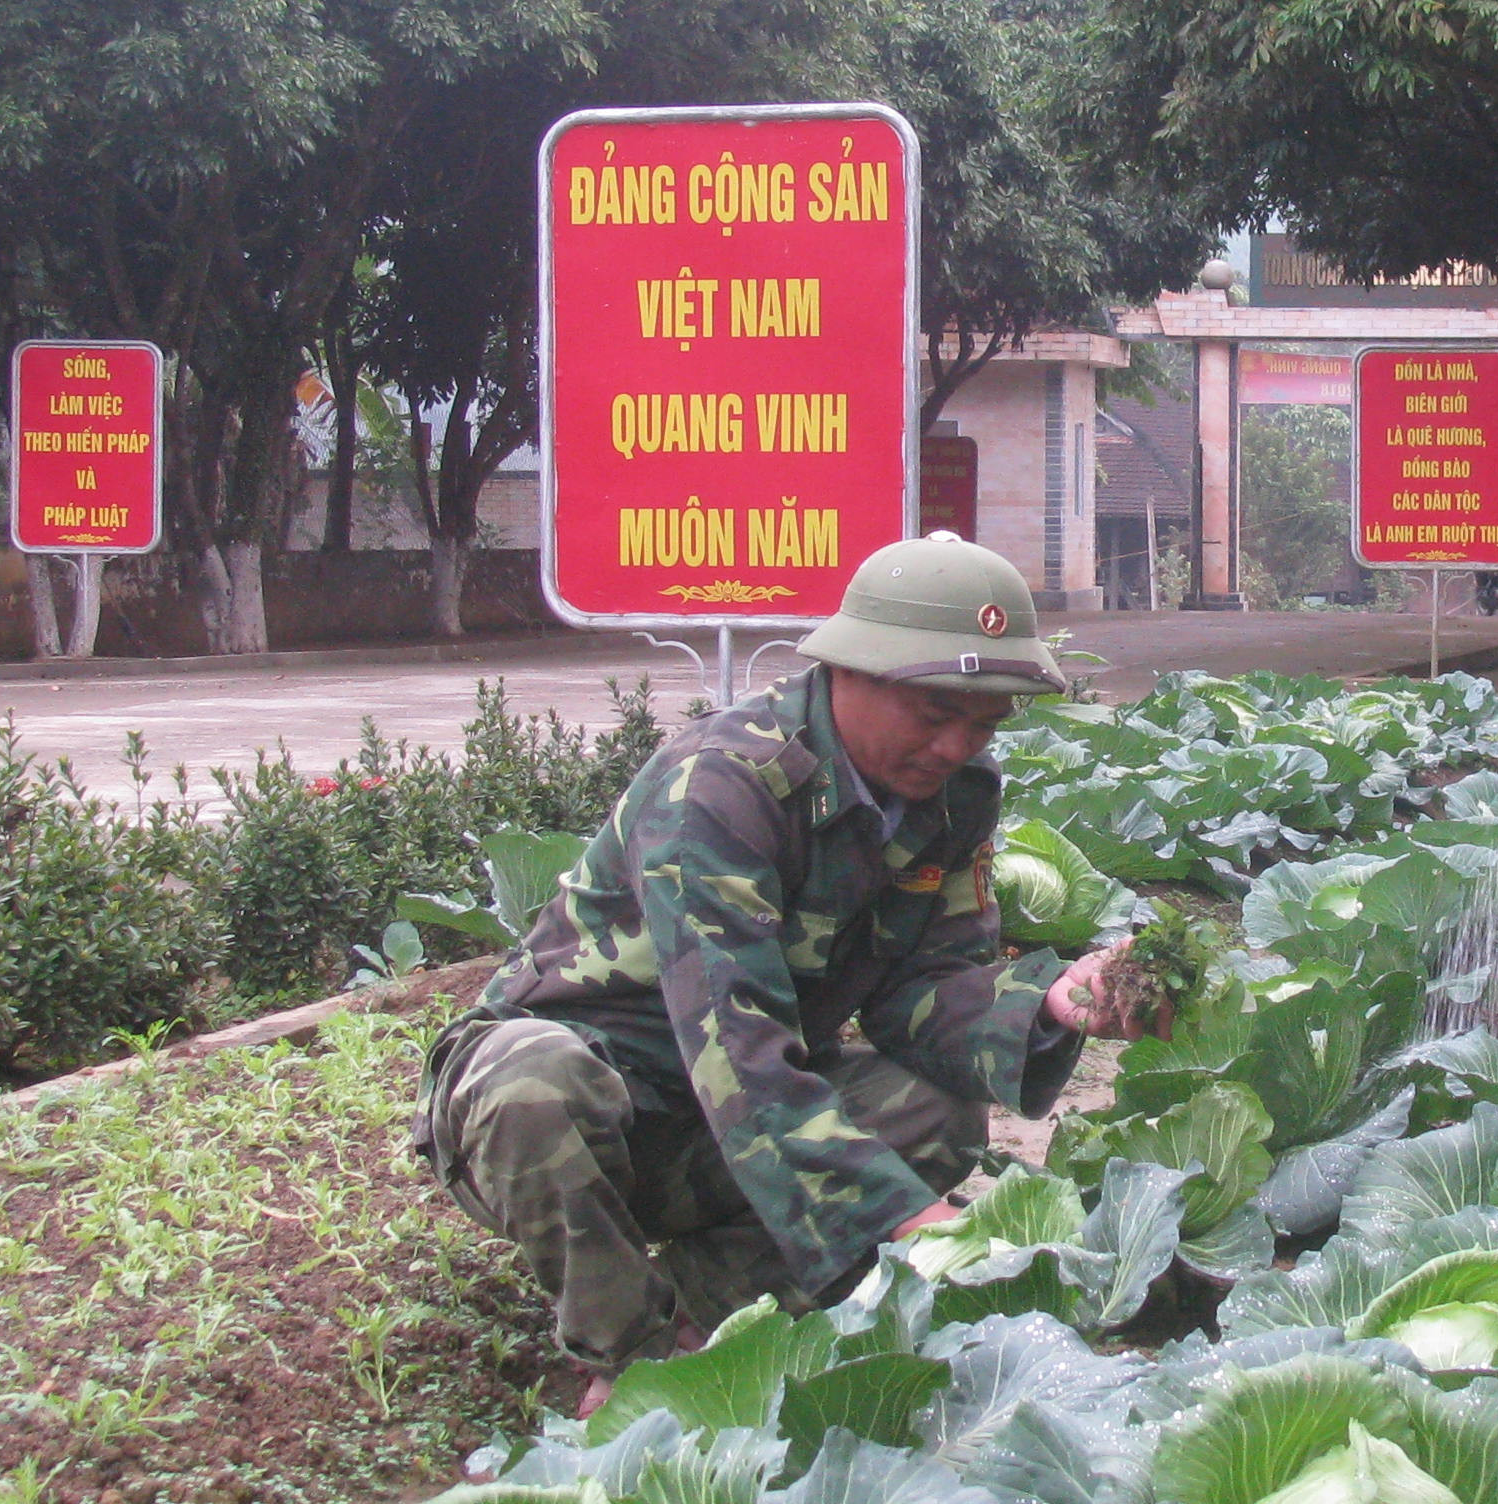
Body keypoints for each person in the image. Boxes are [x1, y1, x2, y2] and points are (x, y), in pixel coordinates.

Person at [412, 533, 1146, 1407]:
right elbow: (740, 1049)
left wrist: (1053, 1003)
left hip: (707, 1128)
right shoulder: (721, 788)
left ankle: (702, 1315)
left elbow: (925, 986)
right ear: (852, 671)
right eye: (934, 712)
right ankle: (633, 1360)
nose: (957, 745)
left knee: (936, 1111)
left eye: (983, 723)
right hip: (580, 1118)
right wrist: (898, 1221)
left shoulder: (950, 798)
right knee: (531, 1082)